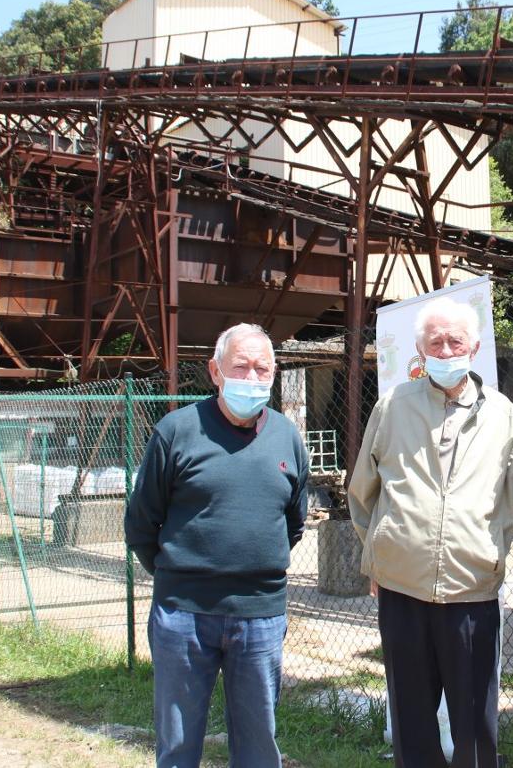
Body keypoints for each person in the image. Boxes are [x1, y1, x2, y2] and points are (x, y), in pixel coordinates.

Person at [348, 297, 513, 768]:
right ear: (420, 352)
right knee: (412, 724)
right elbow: (363, 491)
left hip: (471, 592)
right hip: (402, 591)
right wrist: (378, 557)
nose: (445, 351)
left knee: (475, 729)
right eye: (435, 343)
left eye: (455, 341)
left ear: (475, 346)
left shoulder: (506, 417)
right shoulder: (392, 407)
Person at [124, 323, 308, 768]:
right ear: (215, 371)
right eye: (239, 366)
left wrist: (251, 563)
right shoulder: (176, 431)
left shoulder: (287, 436)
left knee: (258, 743)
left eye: (261, 368)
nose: (251, 377)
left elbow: (294, 522)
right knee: (179, 742)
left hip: (260, 616)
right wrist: (183, 572)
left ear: (274, 373)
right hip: (183, 614)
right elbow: (141, 522)